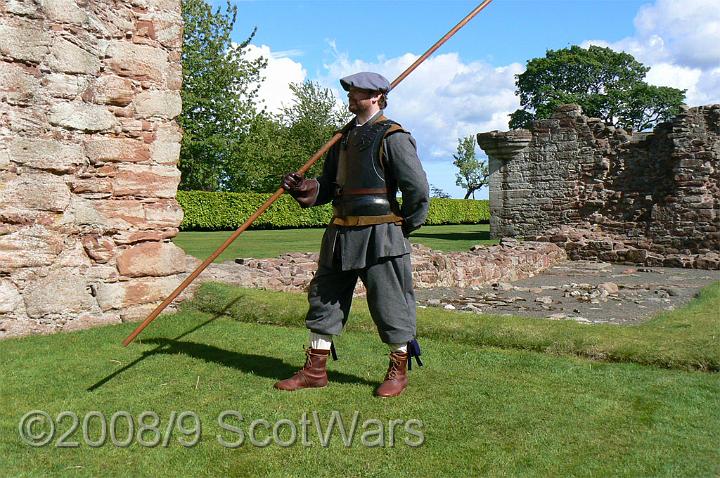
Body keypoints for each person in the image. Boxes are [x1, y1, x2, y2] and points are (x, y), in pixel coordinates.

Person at [275, 72, 430, 397]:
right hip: (340, 233)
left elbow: (417, 189)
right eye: (350, 90)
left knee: (390, 304)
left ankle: (398, 371)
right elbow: (329, 187)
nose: (350, 95)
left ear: (376, 96)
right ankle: (315, 370)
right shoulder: (341, 139)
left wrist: (404, 226)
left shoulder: (394, 136)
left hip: (381, 237)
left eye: (357, 91)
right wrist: (304, 187)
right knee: (324, 298)